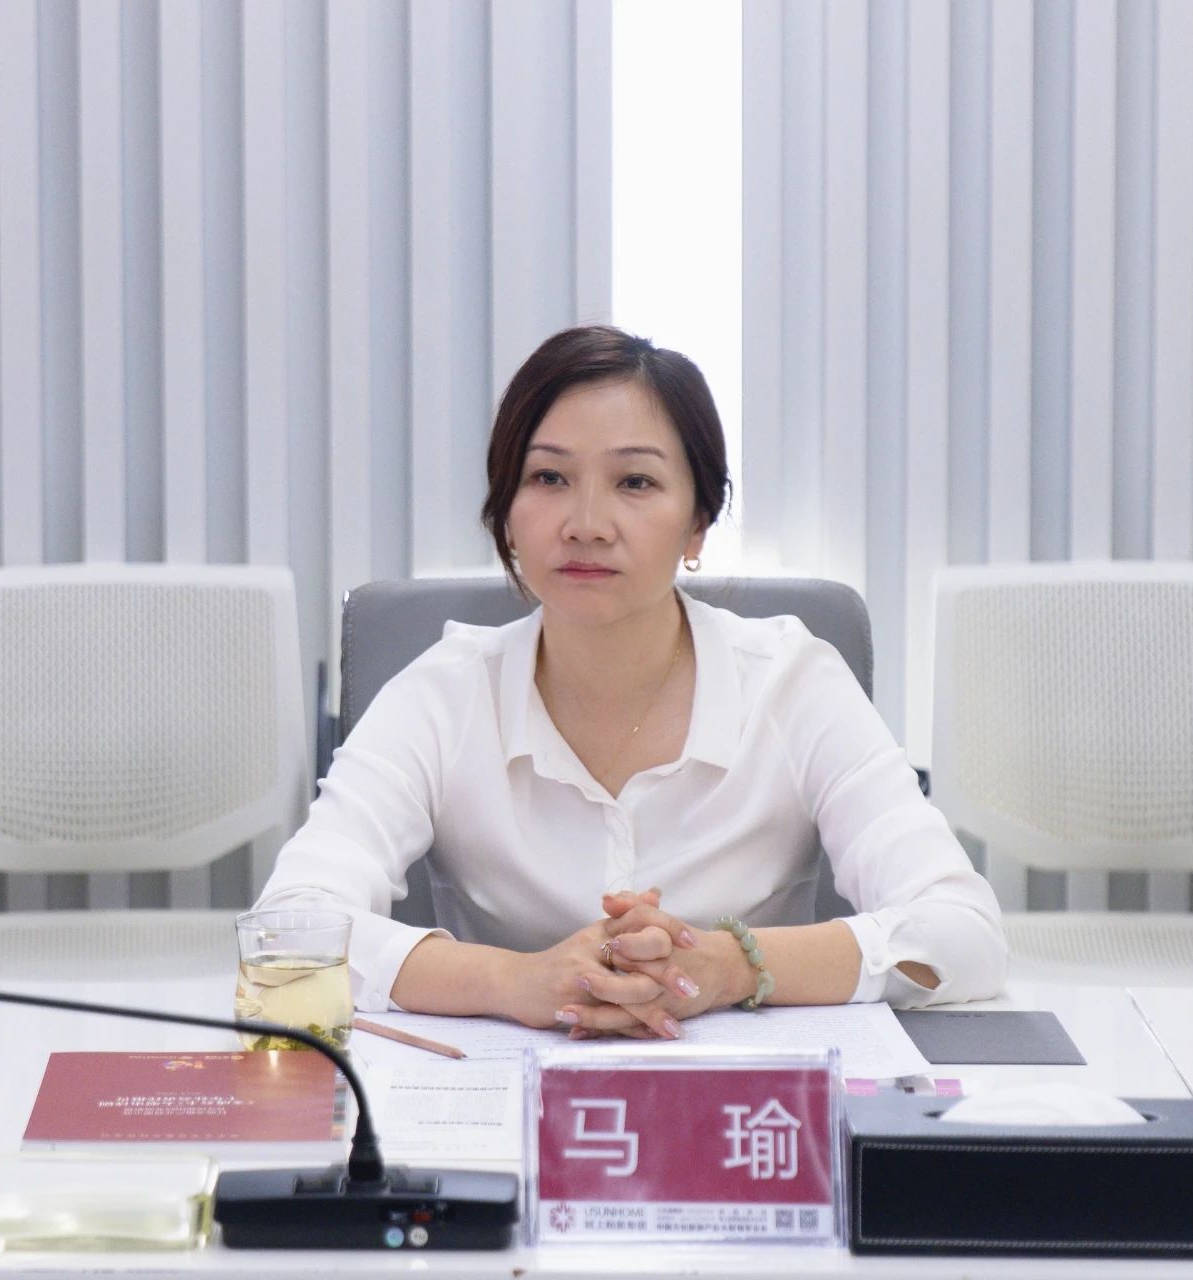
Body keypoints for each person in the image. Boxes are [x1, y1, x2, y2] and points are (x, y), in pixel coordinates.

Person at [255, 325, 1006, 1038]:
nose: (586, 523)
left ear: (698, 522)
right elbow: (286, 929)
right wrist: (512, 981)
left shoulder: (792, 683)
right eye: (549, 477)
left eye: (635, 482)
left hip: (746, 1102)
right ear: (506, 514)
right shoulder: (444, 695)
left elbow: (962, 930)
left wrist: (729, 968)